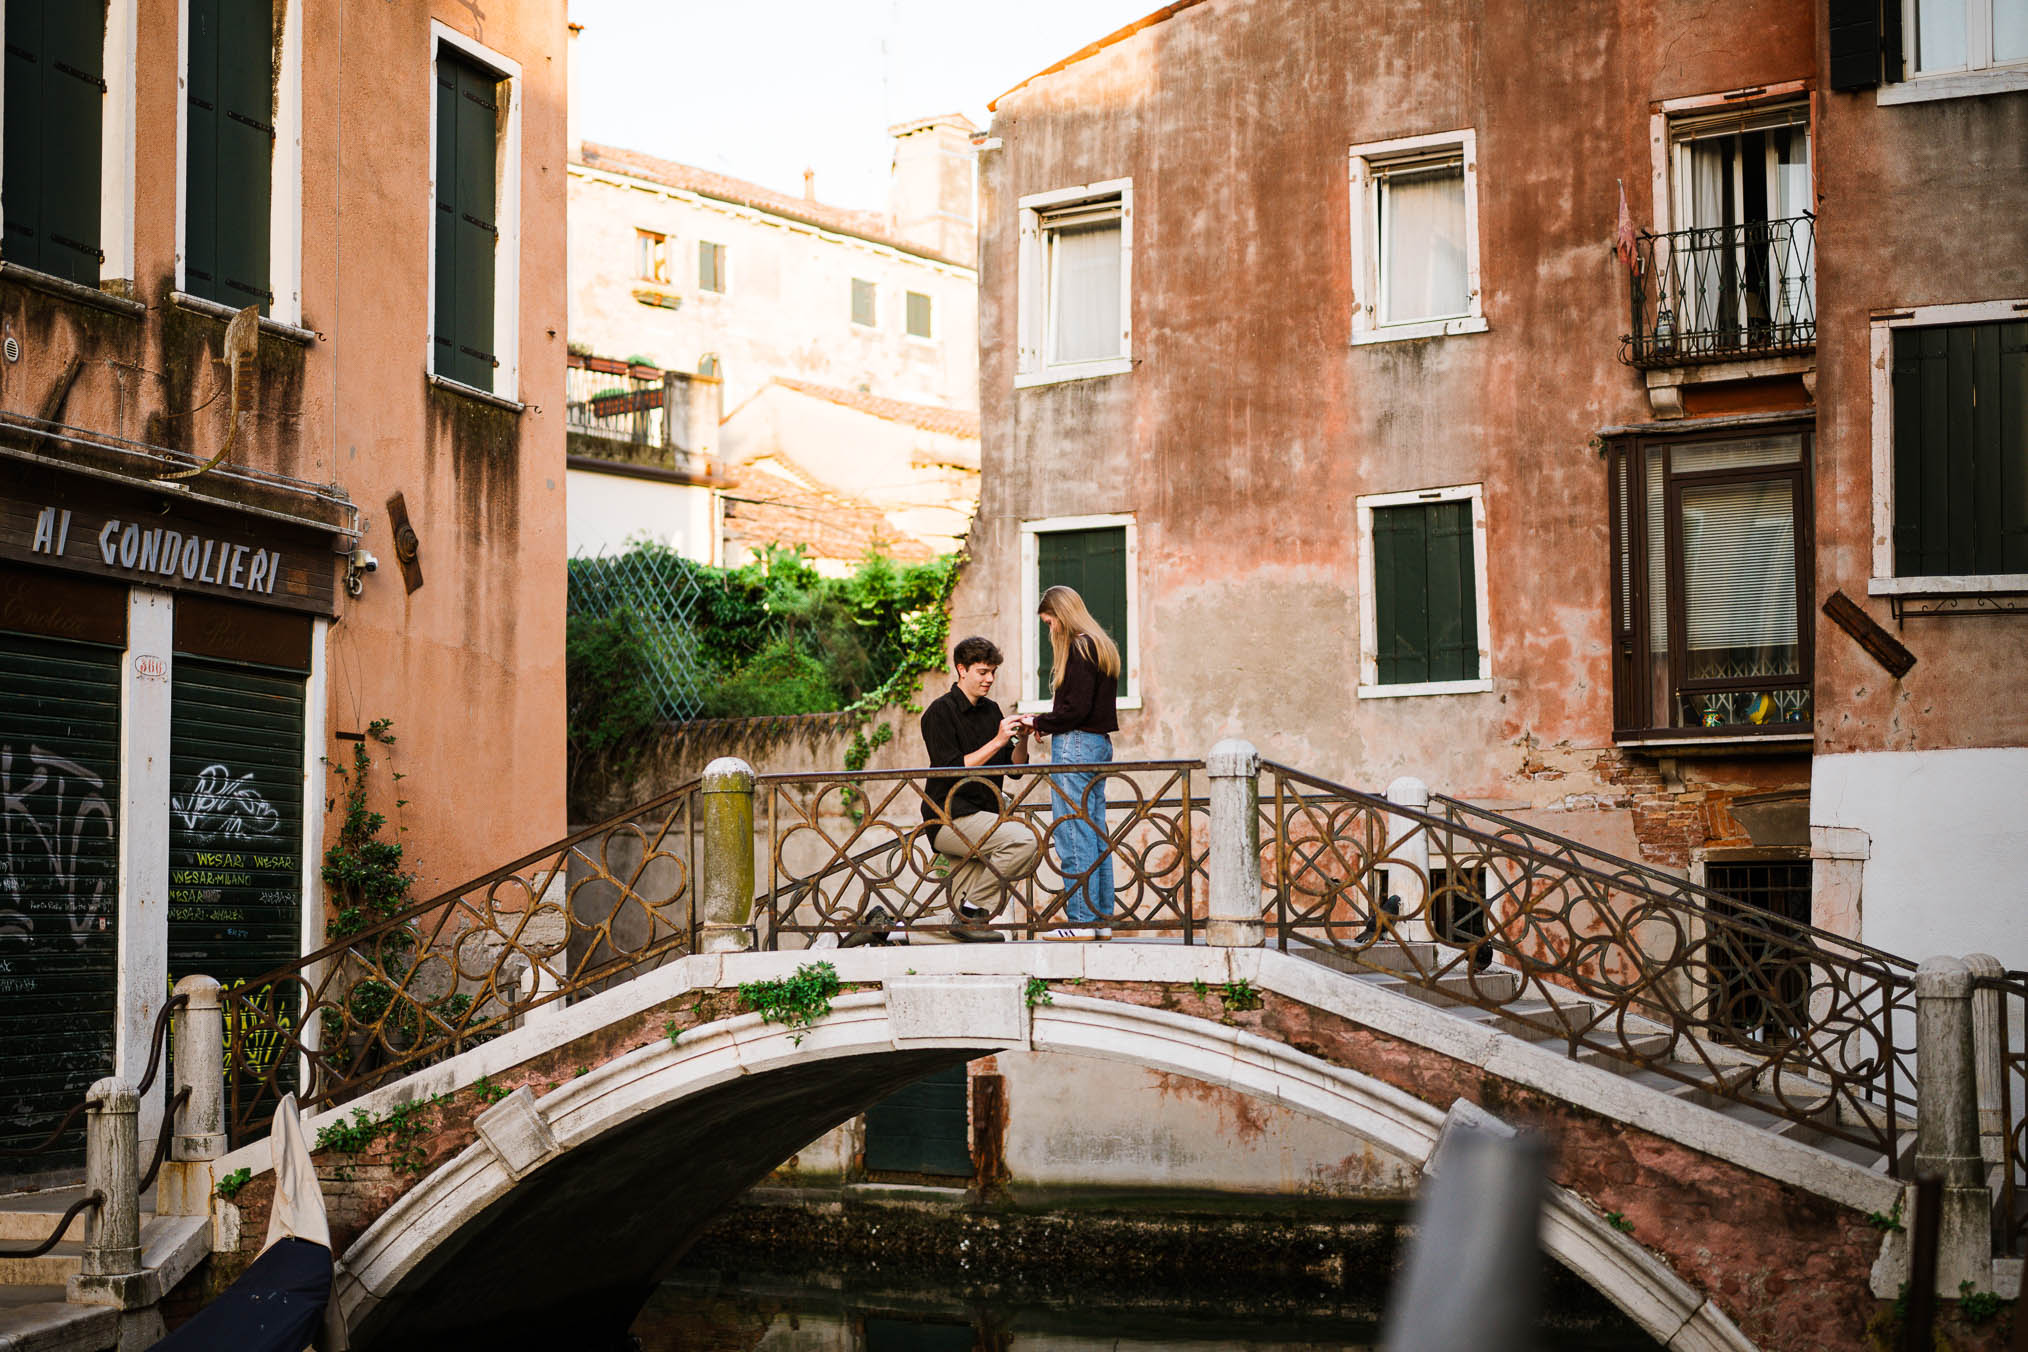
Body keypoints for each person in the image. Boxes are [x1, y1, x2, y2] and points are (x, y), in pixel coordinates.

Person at [918, 635, 1038, 942]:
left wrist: (1021, 737)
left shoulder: (992, 710)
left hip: (983, 817)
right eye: (983, 672)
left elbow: (1013, 770)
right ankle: (973, 913)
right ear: (962, 669)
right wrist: (999, 739)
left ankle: (886, 931)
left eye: (993, 672)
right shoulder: (938, 713)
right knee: (1025, 841)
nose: (990, 679)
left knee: (957, 919)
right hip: (948, 817)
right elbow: (951, 769)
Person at [1022, 586, 1121, 941]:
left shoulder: (1078, 647)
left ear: (1061, 616)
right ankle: (1100, 920)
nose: (1051, 631)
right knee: (1095, 833)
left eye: (1051, 623)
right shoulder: (1100, 645)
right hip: (1097, 745)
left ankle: (1080, 921)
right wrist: (1047, 721)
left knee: (1073, 832)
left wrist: (1039, 723)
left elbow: (1074, 710)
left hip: (1076, 745)